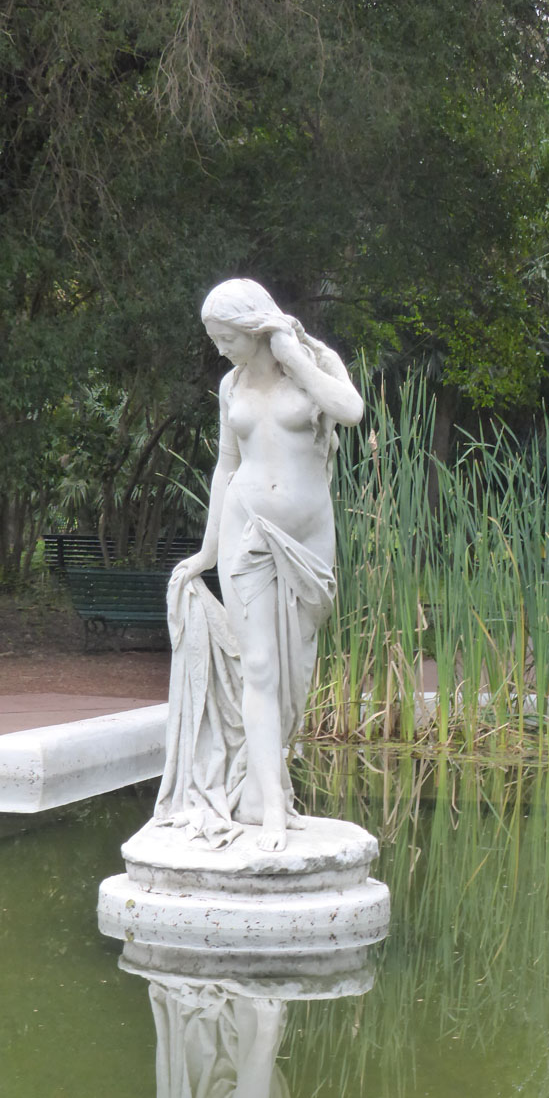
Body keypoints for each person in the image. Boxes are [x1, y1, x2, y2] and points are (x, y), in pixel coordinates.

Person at [161, 279, 363, 851]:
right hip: (245, 534)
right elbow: (226, 468)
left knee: (295, 673)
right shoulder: (231, 386)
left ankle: (261, 787)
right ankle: (271, 808)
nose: (221, 348)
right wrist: (207, 552)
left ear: (254, 326)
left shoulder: (316, 362)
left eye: (227, 337)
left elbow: (351, 411)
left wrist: (295, 359)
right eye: (214, 339)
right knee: (259, 667)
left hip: (308, 541)